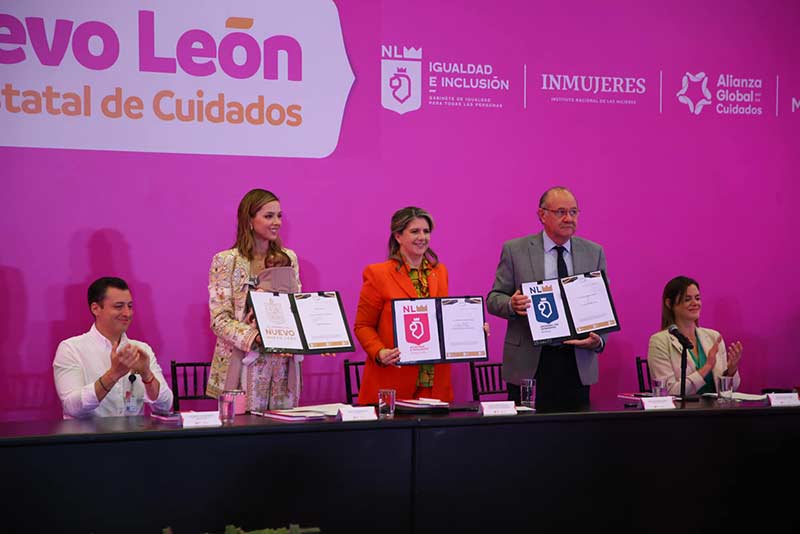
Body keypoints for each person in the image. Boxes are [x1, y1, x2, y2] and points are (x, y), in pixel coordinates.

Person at [487, 186, 607, 411]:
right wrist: (511, 304)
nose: (568, 218)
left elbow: (603, 305)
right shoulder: (515, 250)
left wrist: (599, 340)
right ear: (542, 215)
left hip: (577, 360)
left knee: (576, 431)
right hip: (530, 360)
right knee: (526, 431)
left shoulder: (594, 252)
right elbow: (494, 298)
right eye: (561, 212)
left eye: (573, 212)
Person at [206, 188, 303, 411]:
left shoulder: (289, 258)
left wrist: (314, 337)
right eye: (268, 216)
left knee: (284, 427)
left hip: (282, 364)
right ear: (249, 220)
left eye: (279, 216)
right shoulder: (226, 260)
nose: (277, 222)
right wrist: (256, 337)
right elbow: (219, 320)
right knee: (242, 427)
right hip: (241, 364)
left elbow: (296, 307)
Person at [354, 207, 453, 404]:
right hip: (393, 380)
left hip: (434, 383)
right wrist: (379, 352)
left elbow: (442, 320)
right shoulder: (377, 274)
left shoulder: (440, 272)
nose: (422, 237)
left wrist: (472, 331)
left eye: (426, 231)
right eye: (415, 231)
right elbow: (363, 326)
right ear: (398, 236)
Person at [53, 277, 173, 418]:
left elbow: (165, 406)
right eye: (118, 306)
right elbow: (72, 407)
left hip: (134, 432)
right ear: (96, 308)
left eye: (130, 306)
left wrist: (146, 374)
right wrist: (113, 374)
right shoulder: (71, 349)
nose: (127, 313)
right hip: (88, 432)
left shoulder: (141, 350)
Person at [647, 276, 742, 396]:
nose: (695, 303)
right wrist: (707, 367)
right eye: (687, 299)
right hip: (681, 408)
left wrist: (731, 371)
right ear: (669, 303)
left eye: (697, 298)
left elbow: (729, 391)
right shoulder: (659, 341)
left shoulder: (714, 337)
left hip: (716, 407)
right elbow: (669, 392)